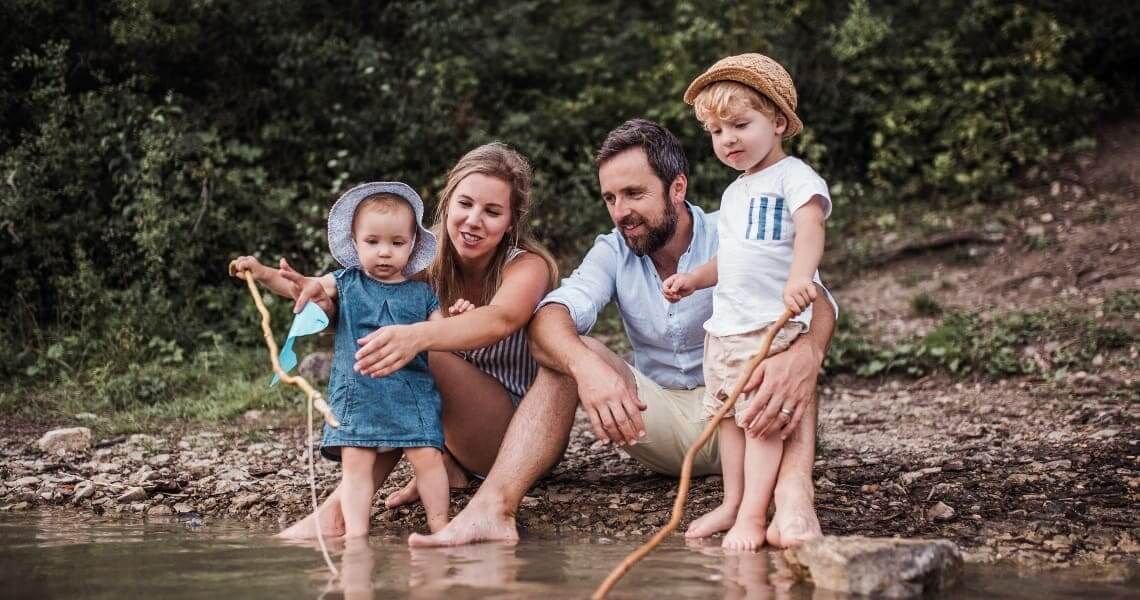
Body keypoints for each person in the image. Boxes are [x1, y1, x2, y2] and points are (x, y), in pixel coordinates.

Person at [410, 118, 835, 548]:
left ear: (677, 188)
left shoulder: (734, 227)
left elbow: (816, 295)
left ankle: (794, 493)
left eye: (634, 194)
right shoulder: (612, 249)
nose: (621, 211)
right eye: (610, 198)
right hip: (660, 421)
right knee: (573, 350)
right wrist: (587, 370)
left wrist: (810, 352)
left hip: (751, 413)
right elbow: (551, 316)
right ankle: (492, 510)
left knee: (791, 344)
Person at [275, 143, 561, 539]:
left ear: (512, 221)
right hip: (447, 432)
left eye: (492, 212)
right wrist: (324, 300)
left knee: (420, 357)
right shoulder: (419, 262)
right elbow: (367, 306)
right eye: (465, 204)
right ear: (447, 204)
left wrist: (419, 336)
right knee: (401, 356)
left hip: (515, 437)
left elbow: (501, 318)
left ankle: (337, 511)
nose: (474, 221)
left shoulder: (528, 265)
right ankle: (363, 497)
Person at [661, 53, 831, 550]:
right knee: (729, 421)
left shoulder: (793, 177)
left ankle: (755, 516)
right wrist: (695, 278)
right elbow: (732, 258)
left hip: (767, 328)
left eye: (740, 124)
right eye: (716, 131)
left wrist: (801, 278)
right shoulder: (735, 194)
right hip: (726, 329)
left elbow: (810, 228)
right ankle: (734, 501)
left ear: (778, 122)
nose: (728, 139)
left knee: (760, 424)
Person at [232, 181, 451, 535]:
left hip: (411, 394)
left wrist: (459, 317)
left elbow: (445, 336)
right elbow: (303, 288)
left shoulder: (422, 293)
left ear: (412, 245)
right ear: (355, 242)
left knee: (428, 458)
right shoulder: (346, 282)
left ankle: (441, 527)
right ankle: (355, 536)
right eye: (372, 242)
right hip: (358, 395)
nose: (384, 252)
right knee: (357, 467)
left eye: (396, 243)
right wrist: (262, 272)